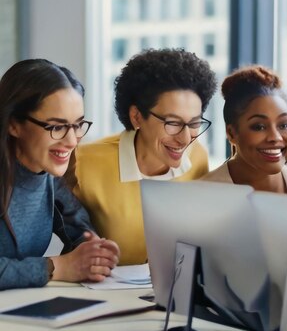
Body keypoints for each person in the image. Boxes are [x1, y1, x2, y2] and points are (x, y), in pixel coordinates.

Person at [67, 49, 216, 265]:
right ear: (137, 116)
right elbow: (69, 233)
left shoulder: (197, 157)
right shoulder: (83, 162)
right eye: (172, 123)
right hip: (107, 290)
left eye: (194, 123)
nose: (185, 138)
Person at [0, 59, 120, 289]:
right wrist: (58, 267)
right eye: (57, 127)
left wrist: (94, 254)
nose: (72, 140)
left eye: (77, 125)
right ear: (14, 125)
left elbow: (79, 229)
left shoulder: (49, 176)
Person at [203, 65, 287, 195]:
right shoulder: (203, 194)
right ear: (231, 133)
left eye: (284, 125)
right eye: (259, 127)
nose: (275, 137)